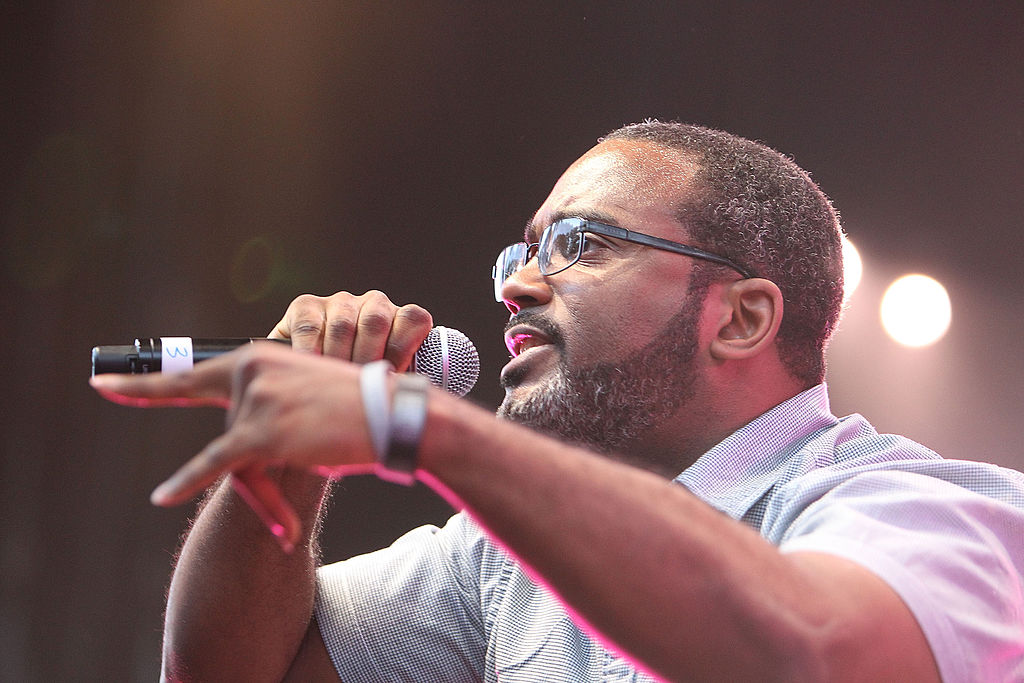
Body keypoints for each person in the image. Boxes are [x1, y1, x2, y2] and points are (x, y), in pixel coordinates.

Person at [91, 121, 1024, 682]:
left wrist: (424, 429)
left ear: (740, 319)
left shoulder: (933, 510)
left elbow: (811, 655)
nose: (517, 286)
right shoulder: (498, 561)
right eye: (523, 252)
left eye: (581, 245)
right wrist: (285, 461)